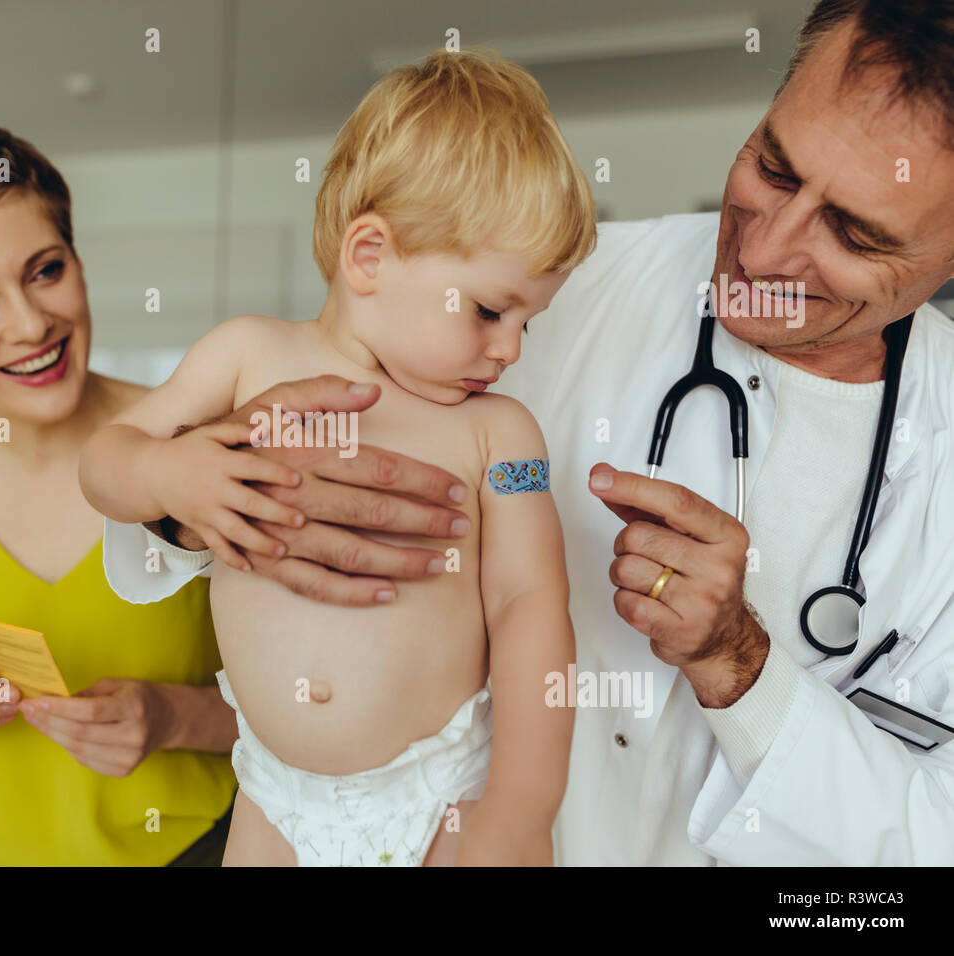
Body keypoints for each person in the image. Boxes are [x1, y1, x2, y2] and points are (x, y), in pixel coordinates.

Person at [103, 0, 954, 865]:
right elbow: (152, 470)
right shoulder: (540, 270)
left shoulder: (502, 375)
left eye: (853, 232)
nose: (769, 250)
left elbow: (930, 841)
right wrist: (197, 500)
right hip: (283, 796)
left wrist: (742, 667)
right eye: (773, 167)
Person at [82, 50, 594, 866]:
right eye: (494, 310)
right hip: (274, 793)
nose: (510, 349)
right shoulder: (244, 355)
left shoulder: (505, 438)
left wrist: (525, 808)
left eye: (527, 323)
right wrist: (172, 476)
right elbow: (105, 460)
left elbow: (532, 603)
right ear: (369, 256)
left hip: (438, 795)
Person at [0, 120, 237, 866]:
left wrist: (173, 718)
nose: (32, 325)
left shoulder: (190, 443)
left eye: (45, 270)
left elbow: (313, 709)